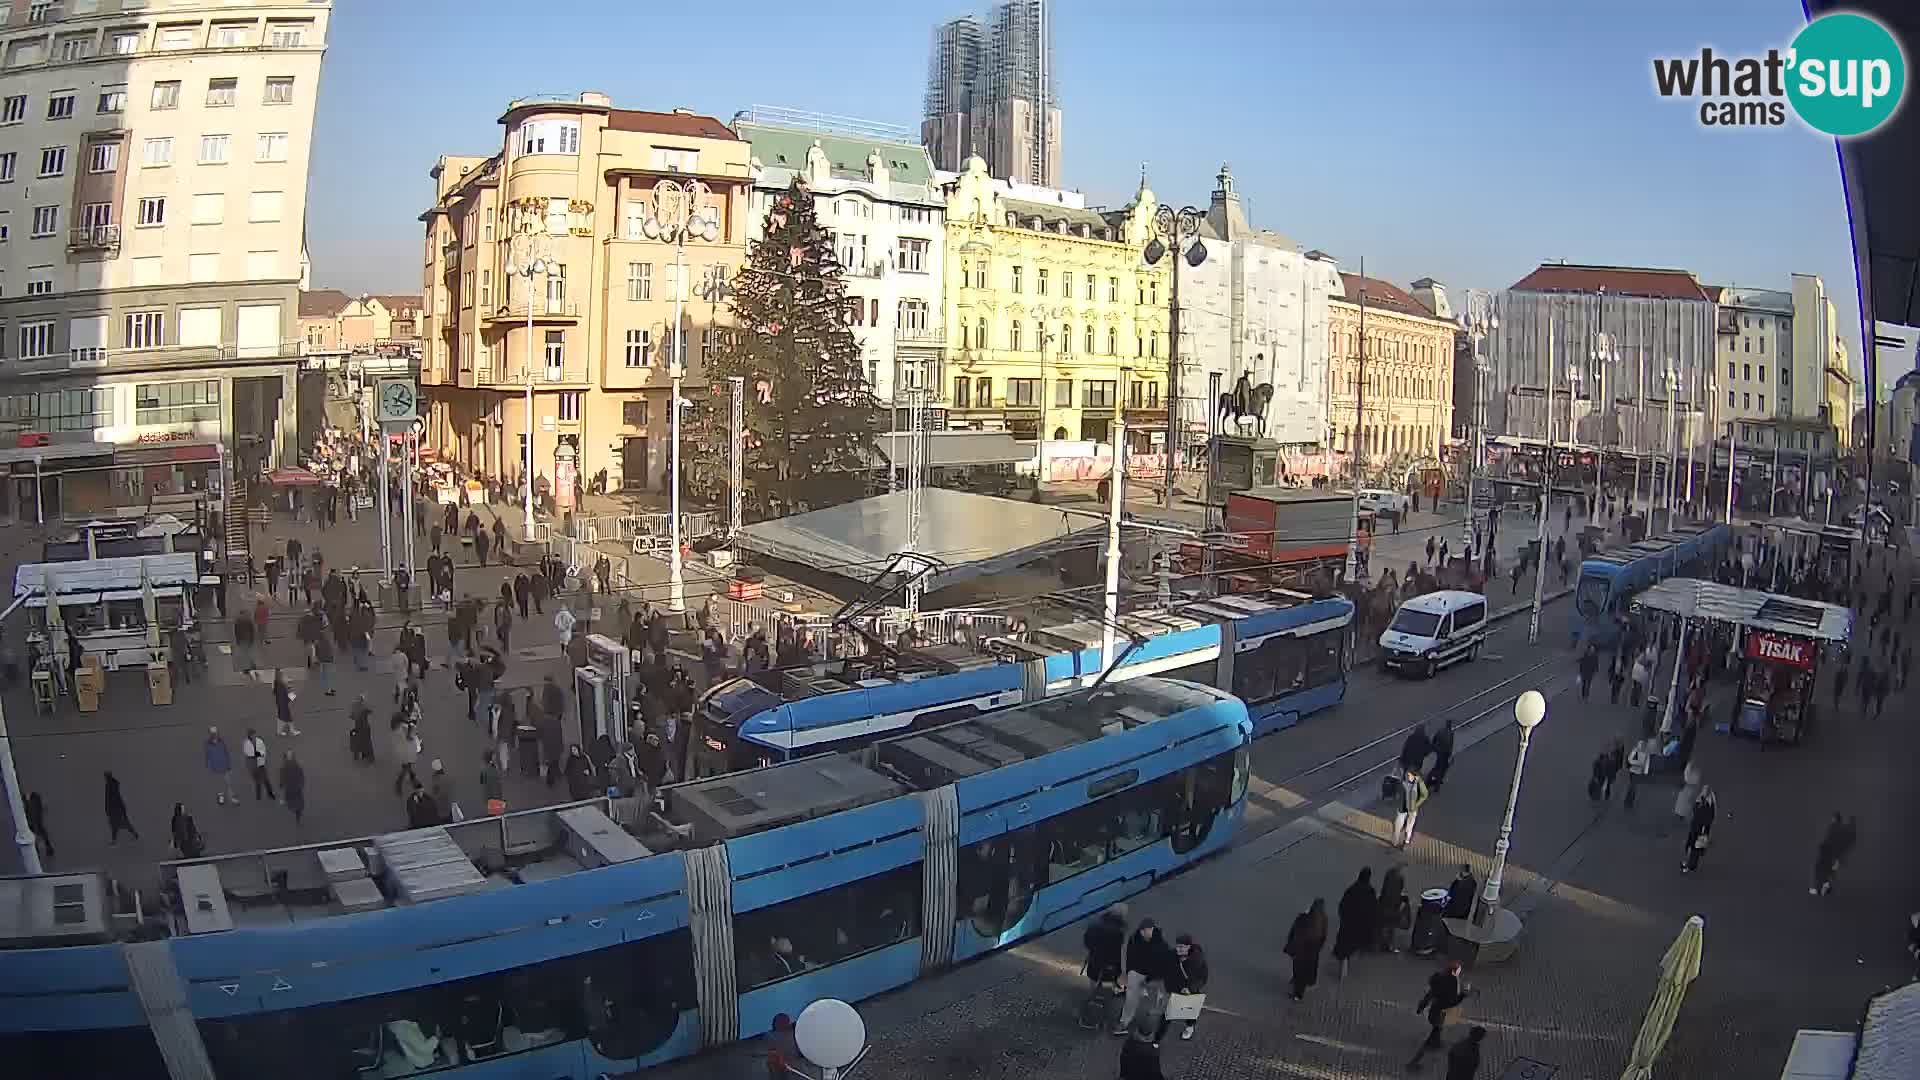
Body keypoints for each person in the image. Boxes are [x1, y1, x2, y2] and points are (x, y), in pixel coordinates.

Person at [1115, 917, 1174, 1036]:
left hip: (1153, 978)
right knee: (1131, 999)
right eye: (1142, 930)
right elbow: (1129, 956)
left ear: (1152, 929)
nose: (1144, 933)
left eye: (1147, 930)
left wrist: (1149, 979)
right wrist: (1127, 972)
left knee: (1154, 1001)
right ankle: (1124, 1022)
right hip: (1136, 973)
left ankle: (1151, 1022)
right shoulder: (1134, 939)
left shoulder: (1161, 945)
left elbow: (1162, 966)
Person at [1408, 959, 1469, 1068]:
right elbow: (1452, 1002)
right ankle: (1417, 1058)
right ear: (1455, 972)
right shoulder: (1453, 984)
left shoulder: (1439, 978)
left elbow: (1429, 995)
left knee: (1437, 1029)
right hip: (1442, 1012)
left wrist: (1421, 1007)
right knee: (1436, 1029)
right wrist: (1463, 995)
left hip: (1435, 1009)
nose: (1460, 973)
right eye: (1459, 971)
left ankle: (1434, 1042)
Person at [1155, 933, 1208, 1043]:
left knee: (1190, 1012)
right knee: (1167, 1015)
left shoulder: (1198, 959)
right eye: (1177, 946)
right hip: (1173, 990)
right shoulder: (1172, 955)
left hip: (1189, 991)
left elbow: (1202, 978)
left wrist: (1190, 988)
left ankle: (1190, 1027)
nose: (1178, 949)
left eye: (1181, 947)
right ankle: (1156, 1040)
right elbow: (1164, 970)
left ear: (1189, 947)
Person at [1284, 899, 1327, 1001]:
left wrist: (1290, 945)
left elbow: (1294, 932)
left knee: (1298, 968)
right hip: (1313, 948)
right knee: (1307, 968)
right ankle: (1302, 987)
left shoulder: (1303, 917)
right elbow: (1323, 936)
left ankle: (1297, 994)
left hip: (1300, 948)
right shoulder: (1323, 918)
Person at [1682, 786, 1717, 873]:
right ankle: (1690, 863)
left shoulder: (1709, 804)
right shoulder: (1702, 800)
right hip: (1696, 825)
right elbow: (1695, 809)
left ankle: (1691, 866)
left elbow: (1709, 817)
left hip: (1701, 827)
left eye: (1705, 791)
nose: (1704, 792)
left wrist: (1705, 829)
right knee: (1691, 844)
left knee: (1696, 847)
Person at [1376, 865, 1410, 952]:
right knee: (1391, 925)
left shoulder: (1388, 881)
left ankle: (1383, 942)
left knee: (1385, 924)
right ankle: (1389, 945)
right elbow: (1400, 890)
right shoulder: (1398, 883)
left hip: (1385, 905)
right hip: (1393, 906)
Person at [1393, 767, 1428, 849]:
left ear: (1414, 776)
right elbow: (1398, 790)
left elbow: (1425, 794)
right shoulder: (1403, 781)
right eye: (1407, 775)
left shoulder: (1419, 783)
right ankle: (1395, 841)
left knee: (1409, 827)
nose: (1408, 777)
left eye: (1409, 775)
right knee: (1397, 825)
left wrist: (1417, 804)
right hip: (1402, 808)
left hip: (1412, 809)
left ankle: (1406, 841)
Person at [1812, 812, 1846, 896]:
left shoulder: (1834, 828)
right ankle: (1823, 888)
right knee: (1826, 870)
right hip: (1829, 852)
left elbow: (1830, 839)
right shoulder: (1837, 828)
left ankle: (1821, 888)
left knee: (1822, 868)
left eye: (1833, 819)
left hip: (1828, 851)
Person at [103, 771, 138, 844]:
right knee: (118, 824)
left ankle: (115, 840)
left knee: (117, 824)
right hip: (116, 808)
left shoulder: (110, 785)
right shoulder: (112, 784)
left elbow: (111, 798)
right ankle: (134, 835)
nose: (105, 778)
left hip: (115, 808)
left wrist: (108, 808)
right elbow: (112, 798)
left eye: (106, 776)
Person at [204, 726, 236, 805]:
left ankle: (231, 798)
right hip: (215, 767)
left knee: (228, 783)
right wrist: (208, 766)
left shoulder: (222, 741)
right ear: (210, 734)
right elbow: (207, 756)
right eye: (213, 733)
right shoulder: (208, 744)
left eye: (216, 733)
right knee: (219, 785)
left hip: (224, 766)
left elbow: (226, 753)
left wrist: (228, 764)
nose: (215, 735)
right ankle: (221, 798)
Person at [243, 728, 276, 801]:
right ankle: (258, 795)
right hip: (253, 765)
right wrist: (259, 754)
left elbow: (263, 751)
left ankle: (270, 793)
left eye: (255, 734)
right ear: (250, 736)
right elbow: (249, 754)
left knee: (266, 779)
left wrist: (259, 754)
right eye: (253, 735)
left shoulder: (259, 741)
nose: (254, 736)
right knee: (257, 781)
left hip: (260, 764)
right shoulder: (246, 743)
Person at [1427, 719, 1455, 790]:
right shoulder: (1451, 733)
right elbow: (1450, 745)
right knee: (1442, 769)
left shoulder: (1440, 731)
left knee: (1437, 767)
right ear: (1450, 725)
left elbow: (1434, 739)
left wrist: (1433, 747)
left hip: (1438, 751)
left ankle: (1430, 781)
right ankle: (1436, 785)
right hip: (1445, 753)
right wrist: (1450, 755)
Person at [280, 750, 306, 826]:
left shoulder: (285, 767)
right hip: (295, 787)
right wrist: (301, 783)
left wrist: (281, 784)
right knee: (298, 804)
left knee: (293, 802)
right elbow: (301, 775)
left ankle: (294, 809)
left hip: (291, 787)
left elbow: (282, 777)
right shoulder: (295, 765)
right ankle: (297, 816)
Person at [25, 790, 53, 861]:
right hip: (35, 816)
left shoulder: (31, 798)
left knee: (35, 832)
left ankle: (38, 852)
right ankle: (47, 847)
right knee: (39, 830)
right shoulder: (35, 797)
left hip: (32, 817)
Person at [272, 670, 300, 737]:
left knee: (281, 718)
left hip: (279, 704)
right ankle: (292, 731)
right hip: (283, 705)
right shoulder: (281, 686)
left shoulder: (277, 684)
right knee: (288, 718)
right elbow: (284, 698)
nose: (284, 677)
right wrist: (293, 695)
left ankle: (279, 732)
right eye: (283, 676)